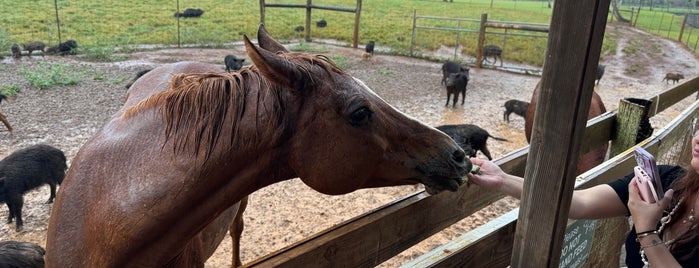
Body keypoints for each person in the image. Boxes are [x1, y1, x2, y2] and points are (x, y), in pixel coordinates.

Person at [467, 119, 699, 267]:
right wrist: (503, 180)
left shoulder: (655, 211)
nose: (697, 138)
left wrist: (647, 232)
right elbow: (581, 203)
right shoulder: (667, 180)